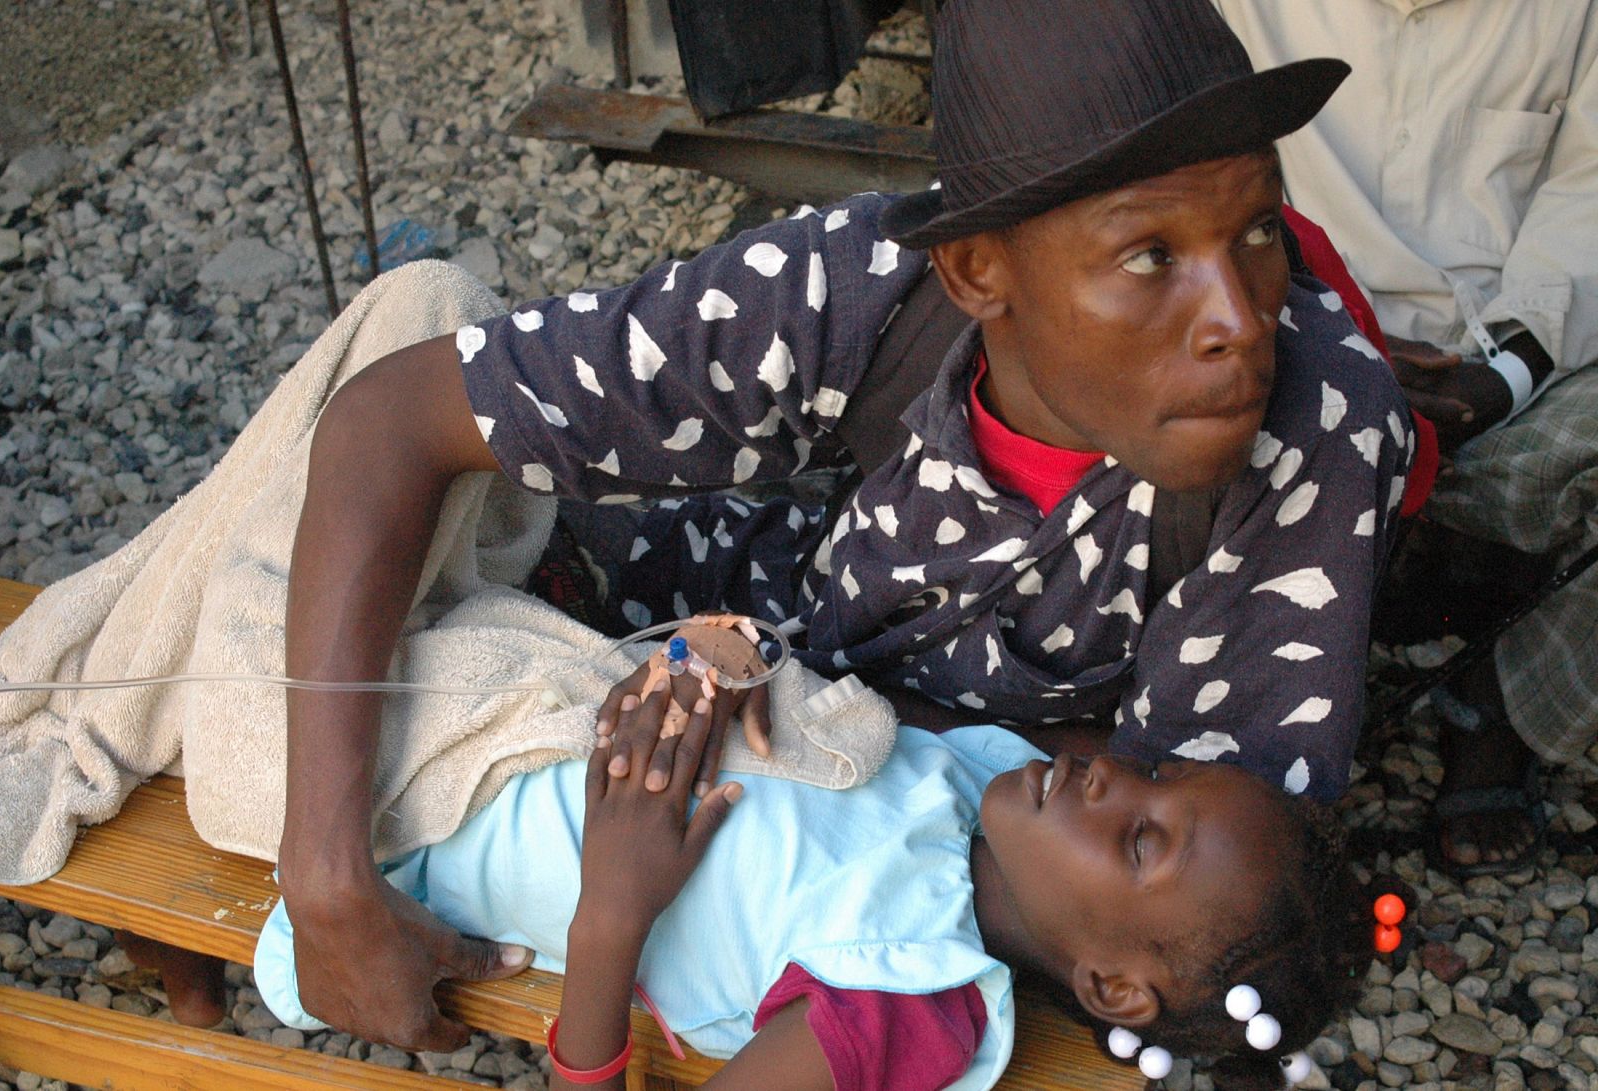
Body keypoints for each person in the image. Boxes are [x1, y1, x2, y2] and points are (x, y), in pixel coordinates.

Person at [270, 0, 1415, 1051]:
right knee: (402, 344)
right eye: (1150, 255)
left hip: (953, 836)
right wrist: (324, 875)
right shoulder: (860, 280)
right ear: (976, 269)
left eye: (1260, 229)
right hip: (760, 640)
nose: (1240, 318)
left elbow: (1204, 893)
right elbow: (389, 417)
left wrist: (798, 693)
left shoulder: (1313, 423)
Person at [254, 676, 1364, 1091]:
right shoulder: (981, 778)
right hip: (493, 706)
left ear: (1114, 988)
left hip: (397, 864)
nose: (1113, 777)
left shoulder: (905, 994)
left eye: (1137, 841)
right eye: (1158, 773)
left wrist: (612, 915)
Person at [1212, 0, 1598, 876]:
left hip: (1511, 367)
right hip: (1283, 342)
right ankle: (1235, 727)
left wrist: (1502, 375)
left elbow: (1591, 202)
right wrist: (1335, 347)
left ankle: (1503, 708)